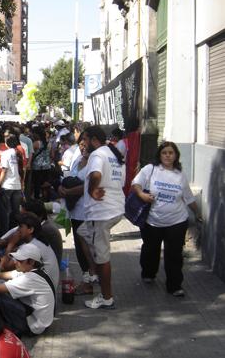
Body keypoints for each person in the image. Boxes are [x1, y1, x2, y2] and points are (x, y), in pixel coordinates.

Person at [132, 141, 201, 297]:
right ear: (160, 155)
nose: (168, 155)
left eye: (171, 153)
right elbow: (136, 183)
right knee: (150, 250)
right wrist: (142, 194)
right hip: (153, 221)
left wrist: (197, 213)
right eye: (164, 152)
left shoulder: (180, 175)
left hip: (177, 221)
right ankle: (148, 273)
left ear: (176, 155)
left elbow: (188, 197)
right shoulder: (151, 169)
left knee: (174, 254)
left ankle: (174, 285)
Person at [77, 126, 125, 310]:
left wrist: (92, 190)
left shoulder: (98, 155)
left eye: (86, 139)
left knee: (103, 257)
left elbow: (96, 174)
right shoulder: (113, 153)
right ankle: (94, 271)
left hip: (102, 213)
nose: (83, 143)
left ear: (94, 140)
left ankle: (106, 298)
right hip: (114, 208)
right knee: (82, 231)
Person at [0, 243, 55, 336]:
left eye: (20, 260)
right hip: (38, 317)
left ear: (31, 262)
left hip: (33, 326)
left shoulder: (30, 278)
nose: (15, 262)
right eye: (16, 259)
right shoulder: (33, 270)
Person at [58, 137, 98, 295]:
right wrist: (62, 187)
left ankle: (90, 281)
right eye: (81, 144)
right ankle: (87, 278)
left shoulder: (94, 163)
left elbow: (87, 187)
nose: (83, 148)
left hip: (87, 211)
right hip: (74, 209)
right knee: (80, 247)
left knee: (86, 248)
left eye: (86, 144)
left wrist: (68, 191)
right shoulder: (78, 160)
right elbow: (69, 178)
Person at [0, 135, 24, 236]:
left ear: (6, 143)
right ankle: (14, 233)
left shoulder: (5, 153)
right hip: (17, 186)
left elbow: (4, 170)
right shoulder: (19, 153)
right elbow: (22, 171)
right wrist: (22, 184)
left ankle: (3, 234)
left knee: (4, 212)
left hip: (7, 185)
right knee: (15, 212)